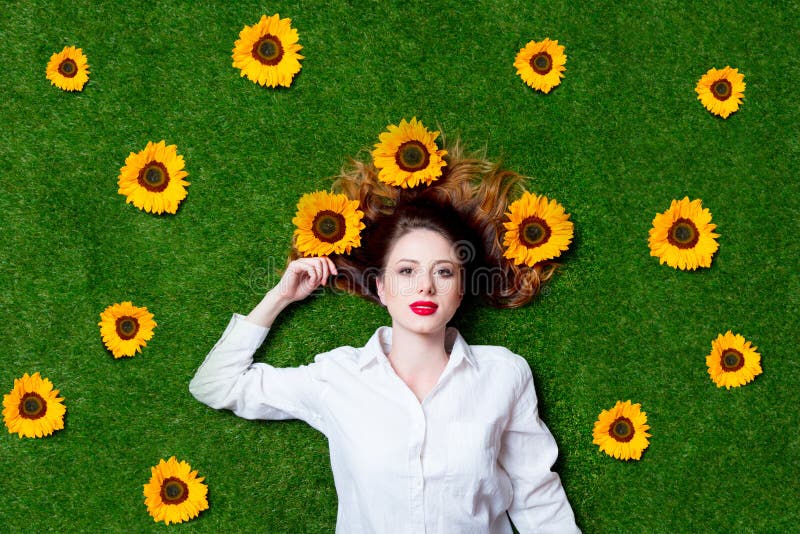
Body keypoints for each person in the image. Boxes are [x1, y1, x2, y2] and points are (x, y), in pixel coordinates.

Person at [189, 140, 580, 533]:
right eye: (407, 271)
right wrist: (278, 298)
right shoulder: (337, 377)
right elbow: (215, 385)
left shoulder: (504, 375)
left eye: (444, 272)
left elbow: (537, 498)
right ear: (381, 288)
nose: (425, 286)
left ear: (461, 290)